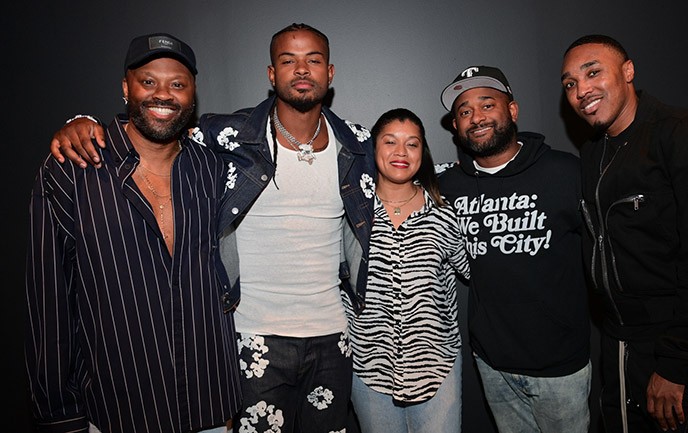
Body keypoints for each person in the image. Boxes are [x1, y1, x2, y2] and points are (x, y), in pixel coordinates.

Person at [49, 23, 375, 433]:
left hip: (332, 335)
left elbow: (405, 177)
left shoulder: (359, 143)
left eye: (313, 60)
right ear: (272, 75)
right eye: (288, 61)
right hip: (252, 337)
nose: (302, 70)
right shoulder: (226, 136)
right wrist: (81, 122)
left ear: (330, 73)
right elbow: (156, 124)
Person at [25, 33, 240, 433]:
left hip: (210, 408)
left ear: (193, 95)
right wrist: (60, 417)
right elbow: (48, 302)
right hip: (119, 413)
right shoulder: (72, 169)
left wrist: (226, 399)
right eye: (148, 81)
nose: (163, 94)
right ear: (125, 88)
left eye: (177, 84)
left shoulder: (212, 170)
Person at [560, 35, 688, 433]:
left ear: (628, 72)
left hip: (681, 350)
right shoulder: (593, 152)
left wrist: (675, 364)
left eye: (593, 72)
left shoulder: (684, 135)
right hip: (620, 343)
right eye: (570, 83)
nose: (581, 90)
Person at [436, 66, 592, 433]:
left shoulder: (565, 172)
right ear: (456, 126)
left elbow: (619, 229)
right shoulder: (446, 188)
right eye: (464, 111)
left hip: (560, 366)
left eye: (487, 104)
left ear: (513, 110)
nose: (476, 118)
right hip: (493, 364)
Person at [348, 108, 469, 433]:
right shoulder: (351, 214)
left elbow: (475, 270)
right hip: (370, 368)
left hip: (437, 366)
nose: (401, 152)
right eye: (390, 142)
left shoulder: (445, 214)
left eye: (412, 144)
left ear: (422, 152)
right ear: (374, 149)